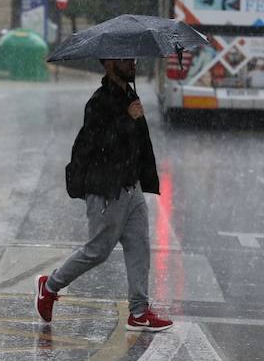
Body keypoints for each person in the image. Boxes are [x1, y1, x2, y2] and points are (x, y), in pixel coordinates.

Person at [35, 58, 173, 332]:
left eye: (132, 59)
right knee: (97, 251)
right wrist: (127, 118)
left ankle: (139, 311)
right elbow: (96, 145)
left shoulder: (129, 95)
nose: (132, 63)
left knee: (139, 247)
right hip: (107, 189)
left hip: (130, 187)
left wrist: (144, 175)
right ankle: (49, 287)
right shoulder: (98, 102)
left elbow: (138, 141)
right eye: (125, 60)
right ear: (109, 64)